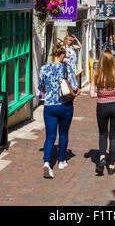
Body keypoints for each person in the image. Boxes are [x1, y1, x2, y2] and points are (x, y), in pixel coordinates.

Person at [38, 43, 79, 179]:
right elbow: (74, 86)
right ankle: (61, 161)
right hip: (65, 105)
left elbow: (41, 88)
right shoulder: (67, 68)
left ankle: (47, 163)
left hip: (49, 106)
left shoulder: (44, 69)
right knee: (63, 133)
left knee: (50, 137)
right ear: (62, 55)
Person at [90, 50, 115, 175]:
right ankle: (111, 165)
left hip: (102, 106)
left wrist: (101, 94)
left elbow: (92, 94)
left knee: (103, 134)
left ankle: (102, 158)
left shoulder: (97, 74)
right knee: (114, 135)